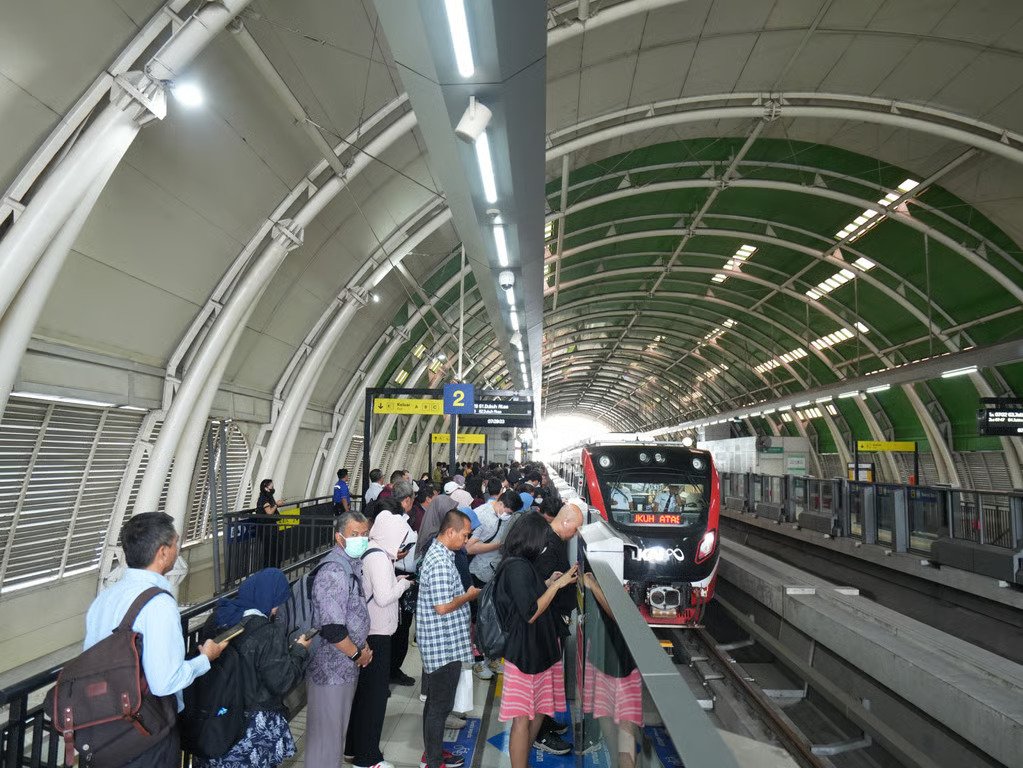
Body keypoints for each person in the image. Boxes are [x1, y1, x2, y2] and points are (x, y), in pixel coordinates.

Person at [84, 512, 226, 767]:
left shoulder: (104, 598)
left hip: (106, 725)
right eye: (176, 544)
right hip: (146, 730)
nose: (177, 551)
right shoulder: (159, 604)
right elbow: (165, 682)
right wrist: (205, 659)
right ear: (163, 552)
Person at [197, 568, 311, 768]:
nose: (276, 609)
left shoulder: (217, 618)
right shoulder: (266, 631)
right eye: (276, 602)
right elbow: (282, 681)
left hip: (216, 718)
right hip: (251, 726)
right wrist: (299, 651)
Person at [492, 513, 579, 768]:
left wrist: (547, 582)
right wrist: (556, 586)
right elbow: (529, 612)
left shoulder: (522, 564)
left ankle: (524, 760)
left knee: (539, 710)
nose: (545, 544)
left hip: (537, 649)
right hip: (525, 653)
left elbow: (527, 594)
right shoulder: (516, 567)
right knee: (522, 718)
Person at [344, 506, 414, 768]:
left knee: (363, 695)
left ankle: (353, 749)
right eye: (401, 539)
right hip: (377, 635)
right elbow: (384, 598)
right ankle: (368, 758)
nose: (403, 546)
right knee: (374, 700)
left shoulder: (371, 552)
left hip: (368, 632)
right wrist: (403, 584)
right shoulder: (380, 558)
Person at [305, 512, 373, 768]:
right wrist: (358, 654)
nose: (361, 539)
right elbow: (332, 629)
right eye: (355, 534)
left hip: (344, 667)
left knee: (335, 735)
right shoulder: (333, 571)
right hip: (330, 669)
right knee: (327, 738)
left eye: (365, 534)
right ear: (339, 537)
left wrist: (362, 645)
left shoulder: (350, 564)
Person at [417, 510, 481, 768]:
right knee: (439, 707)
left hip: (443, 642)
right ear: (450, 531)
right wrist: (469, 596)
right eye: (464, 535)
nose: (466, 540)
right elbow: (442, 607)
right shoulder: (441, 563)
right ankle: (433, 761)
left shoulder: (442, 554)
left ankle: (432, 752)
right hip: (442, 646)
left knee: (435, 703)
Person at [530, 500, 586, 754]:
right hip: (547, 621)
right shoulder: (548, 545)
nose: (575, 534)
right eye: (574, 529)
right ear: (565, 522)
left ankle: (543, 720)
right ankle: (539, 734)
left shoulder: (554, 540)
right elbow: (538, 589)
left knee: (550, 675)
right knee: (543, 678)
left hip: (554, 619)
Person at [467, 488, 523, 680]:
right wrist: (499, 546)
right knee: (479, 618)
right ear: (500, 503)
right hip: (477, 571)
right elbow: (470, 547)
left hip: (493, 571)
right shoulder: (481, 515)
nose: (508, 515)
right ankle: (477, 661)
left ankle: (491, 656)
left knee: (493, 617)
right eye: (508, 511)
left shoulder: (503, 516)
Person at [256, 479, 284, 568]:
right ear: (266, 488)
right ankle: (270, 569)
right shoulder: (263, 498)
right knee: (269, 550)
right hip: (267, 530)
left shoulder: (269, 497)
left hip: (272, 528)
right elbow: (269, 512)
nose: (273, 488)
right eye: (271, 486)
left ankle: (275, 568)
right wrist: (276, 504)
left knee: (275, 549)